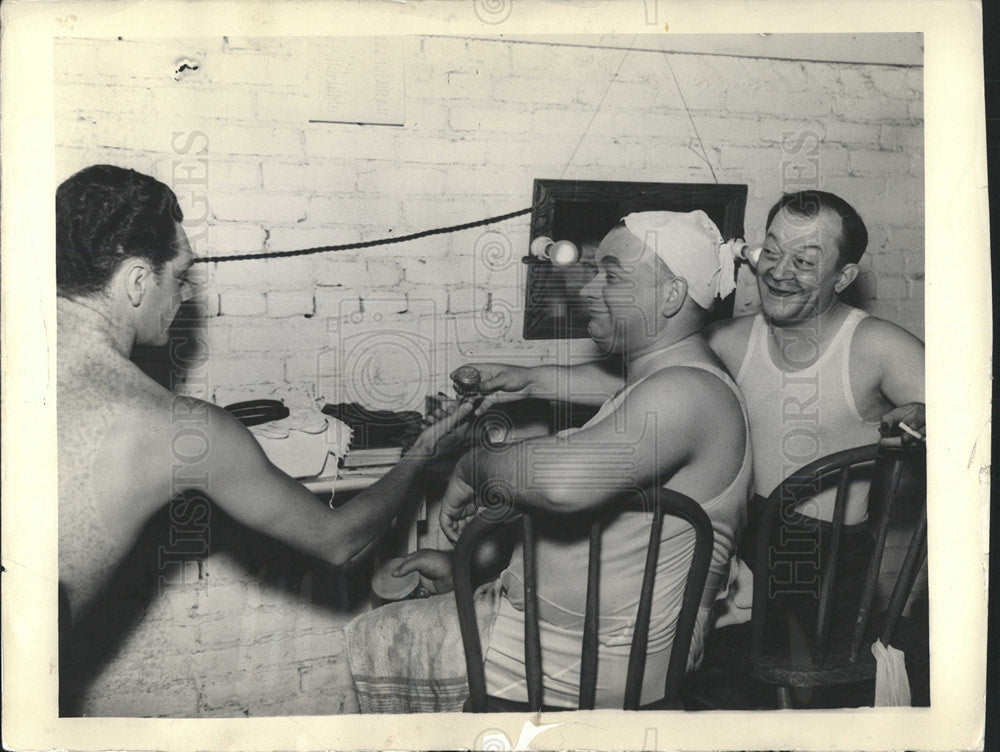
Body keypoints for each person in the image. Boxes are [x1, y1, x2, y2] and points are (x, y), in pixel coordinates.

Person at [470, 190, 926, 643]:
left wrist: (927, 418)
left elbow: (969, 424)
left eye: (804, 262)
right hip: (745, 541)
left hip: (825, 560)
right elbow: (642, 387)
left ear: (843, 276)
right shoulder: (732, 338)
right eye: (771, 251)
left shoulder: (879, 346)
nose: (779, 271)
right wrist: (526, 380)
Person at [346, 210, 752, 710]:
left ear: (670, 296)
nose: (586, 291)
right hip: (589, 647)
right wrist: (465, 575)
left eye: (612, 275)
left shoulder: (686, 393)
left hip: (594, 665)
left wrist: (475, 466)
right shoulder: (677, 376)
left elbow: (563, 483)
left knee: (377, 633)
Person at [56, 164, 472, 631]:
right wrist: (421, 455)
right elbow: (338, 541)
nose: (186, 292)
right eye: (180, 275)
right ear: (137, 282)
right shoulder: (175, 427)